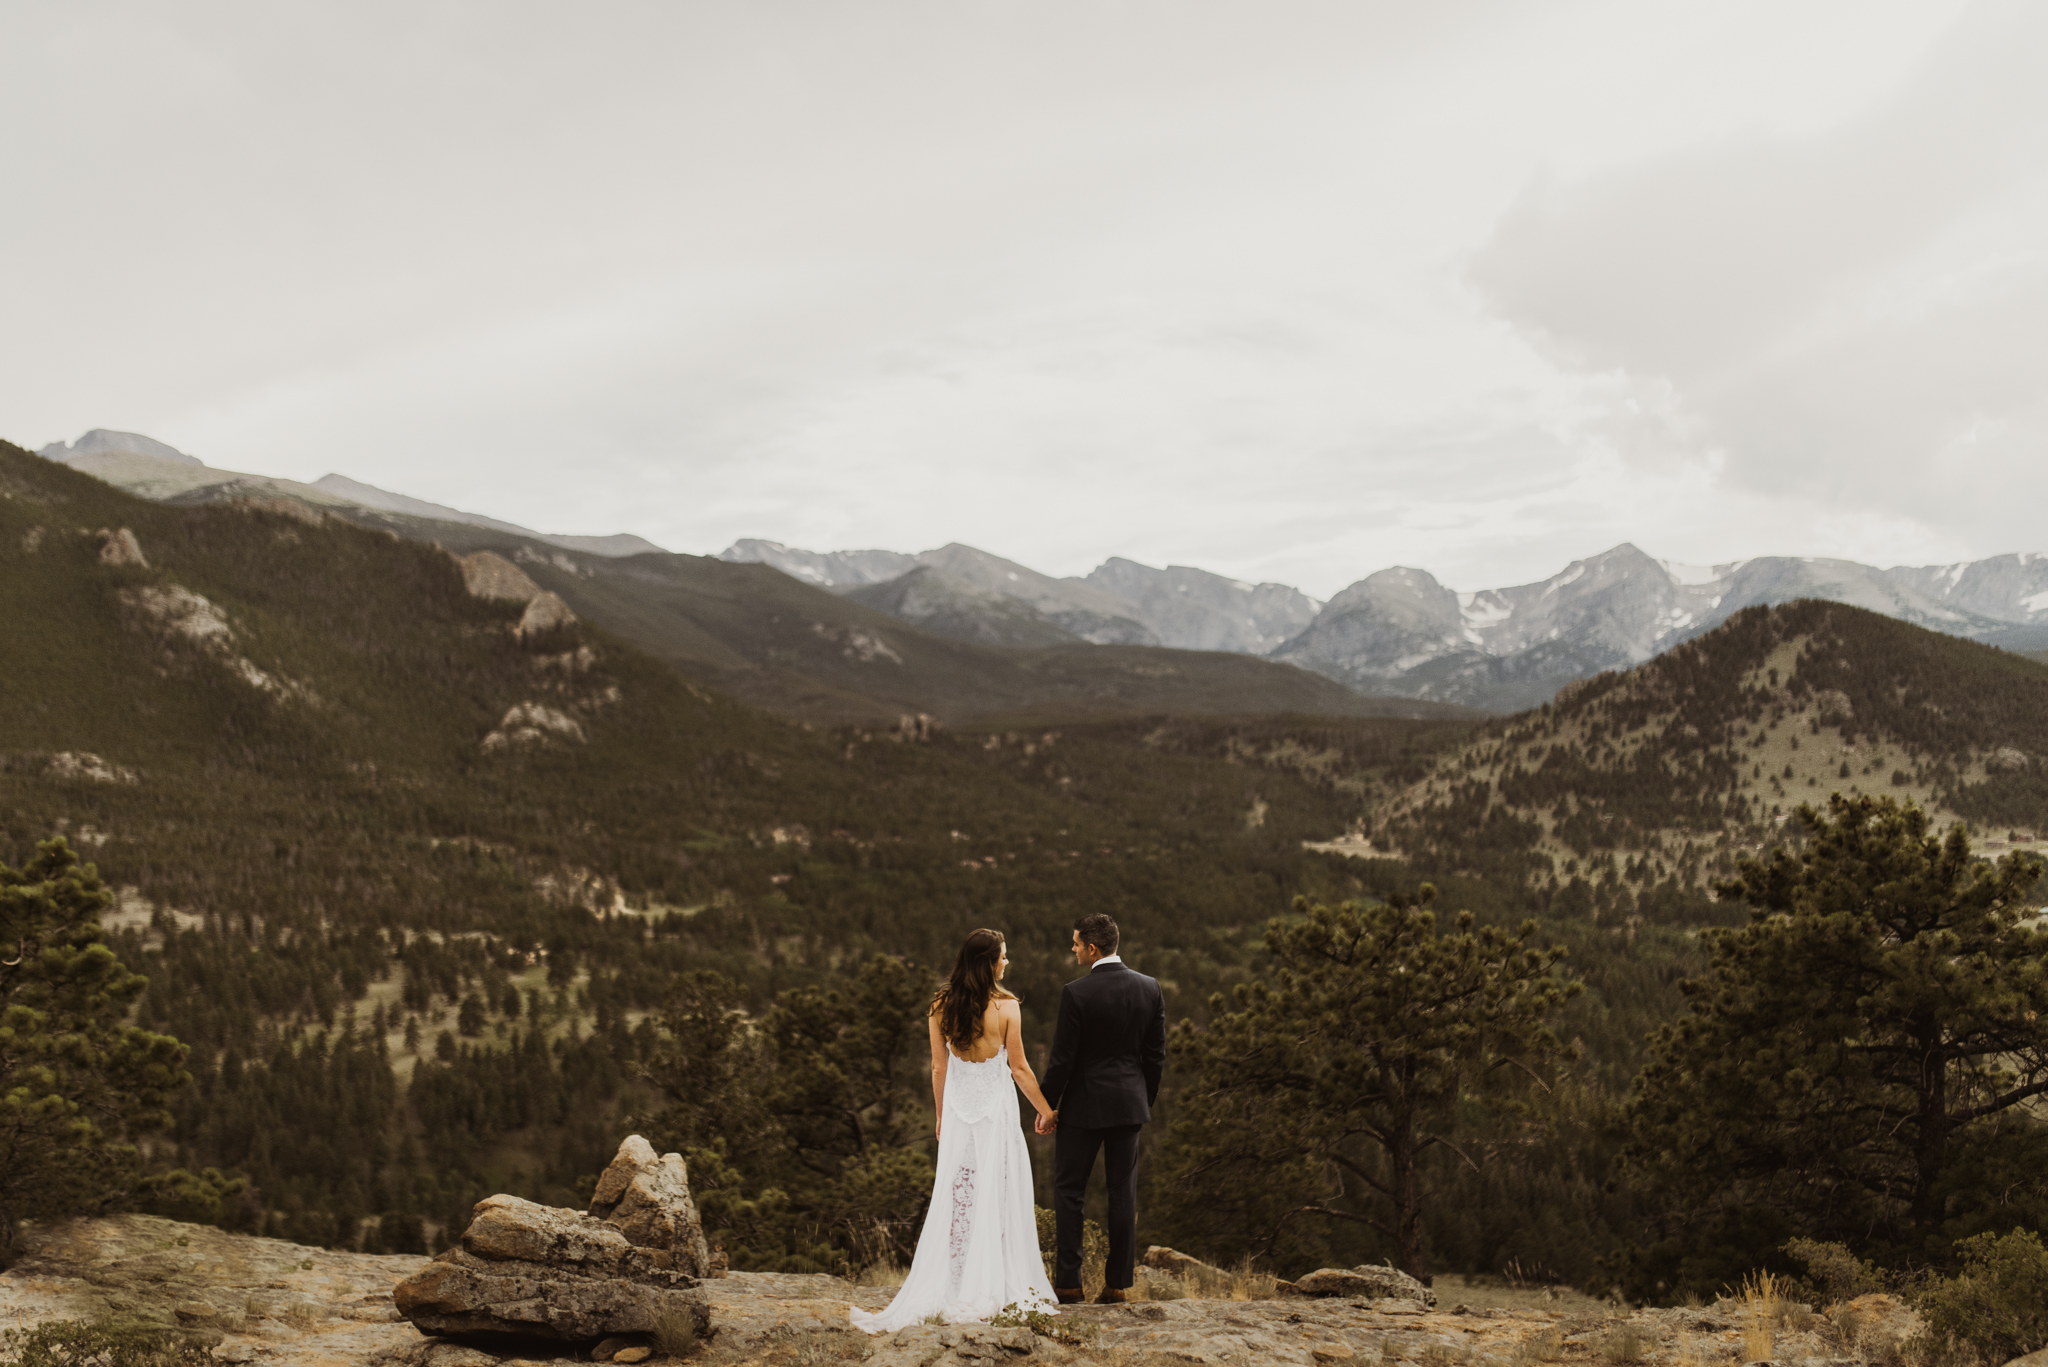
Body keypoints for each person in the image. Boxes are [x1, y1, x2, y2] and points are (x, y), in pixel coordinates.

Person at [850, 929, 1060, 1333]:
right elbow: (1018, 1069)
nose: (1007, 962)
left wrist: (941, 1116)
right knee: (996, 1193)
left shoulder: (940, 1005)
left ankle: (958, 1279)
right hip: (995, 1115)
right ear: (989, 962)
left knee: (959, 1196)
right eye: (1003, 956)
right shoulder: (1007, 1007)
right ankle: (992, 1281)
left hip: (960, 1113)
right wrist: (1046, 1111)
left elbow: (938, 1066)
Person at [1036, 912, 1167, 1305]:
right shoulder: (1150, 987)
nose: (1073, 949)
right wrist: (1142, 1099)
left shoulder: (1077, 993)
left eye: (1076, 944)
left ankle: (1069, 1285)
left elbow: (1062, 1060)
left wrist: (1045, 1106)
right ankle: (1117, 1285)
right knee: (1122, 1193)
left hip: (1083, 1108)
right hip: (1129, 1105)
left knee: (1069, 1191)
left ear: (1092, 948)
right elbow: (1155, 1055)